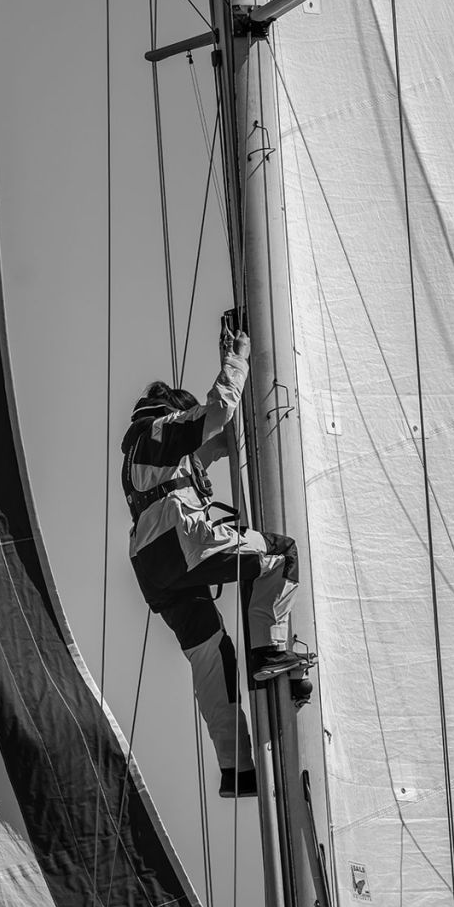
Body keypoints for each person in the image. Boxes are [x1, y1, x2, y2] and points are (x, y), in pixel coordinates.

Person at [121, 327, 307, 797]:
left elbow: (221, 443)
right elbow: (217, 413)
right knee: (281, 555)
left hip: (154, 567)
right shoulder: (156, 433)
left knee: (211, 655)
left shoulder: (151, 460)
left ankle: (238, 769)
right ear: (170, 409)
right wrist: (239, 361)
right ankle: (270, 652)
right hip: (179, 545)